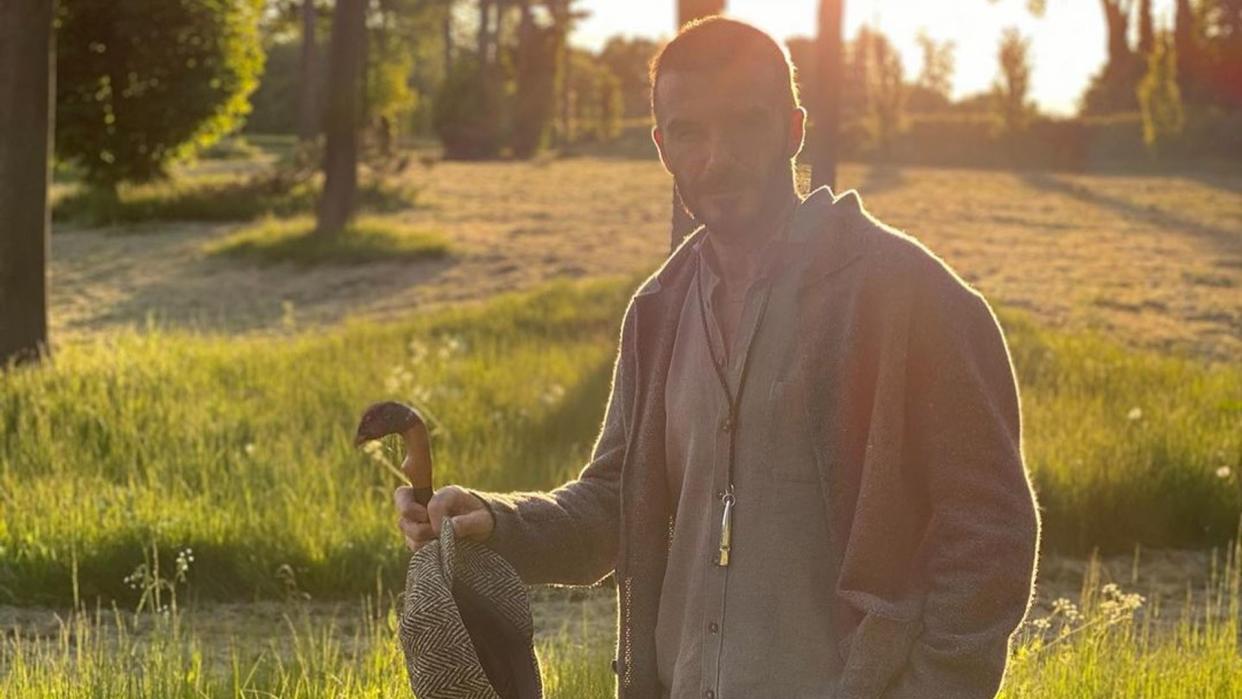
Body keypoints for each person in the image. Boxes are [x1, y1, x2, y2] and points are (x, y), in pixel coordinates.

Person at [394, 16, 1040, 699]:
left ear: (793, 130)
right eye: (689, 132)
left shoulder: (909, 297)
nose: (715, 157)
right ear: (662, 145)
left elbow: (990, 530)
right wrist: (498, 520)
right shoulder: (658, 311)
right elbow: (615, 503)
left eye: (745, 124)